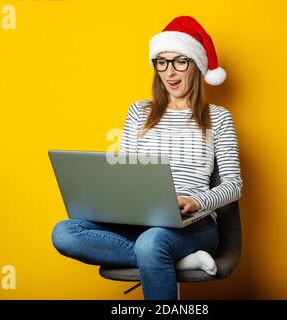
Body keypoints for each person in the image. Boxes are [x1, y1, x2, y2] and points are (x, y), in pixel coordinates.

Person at [51, 16, 243, 300]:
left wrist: (196, 201)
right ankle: (174, 261)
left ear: (197, 65)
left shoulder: (218, 118)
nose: (170, 72)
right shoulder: (139, 112)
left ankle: (157, 254)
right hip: (141, 222)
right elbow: (125, 173)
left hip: (193, 222)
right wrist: (108, 198)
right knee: (65, 233)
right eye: (162, 62)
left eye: (180, 61)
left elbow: (234, 184)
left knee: (152, 242)